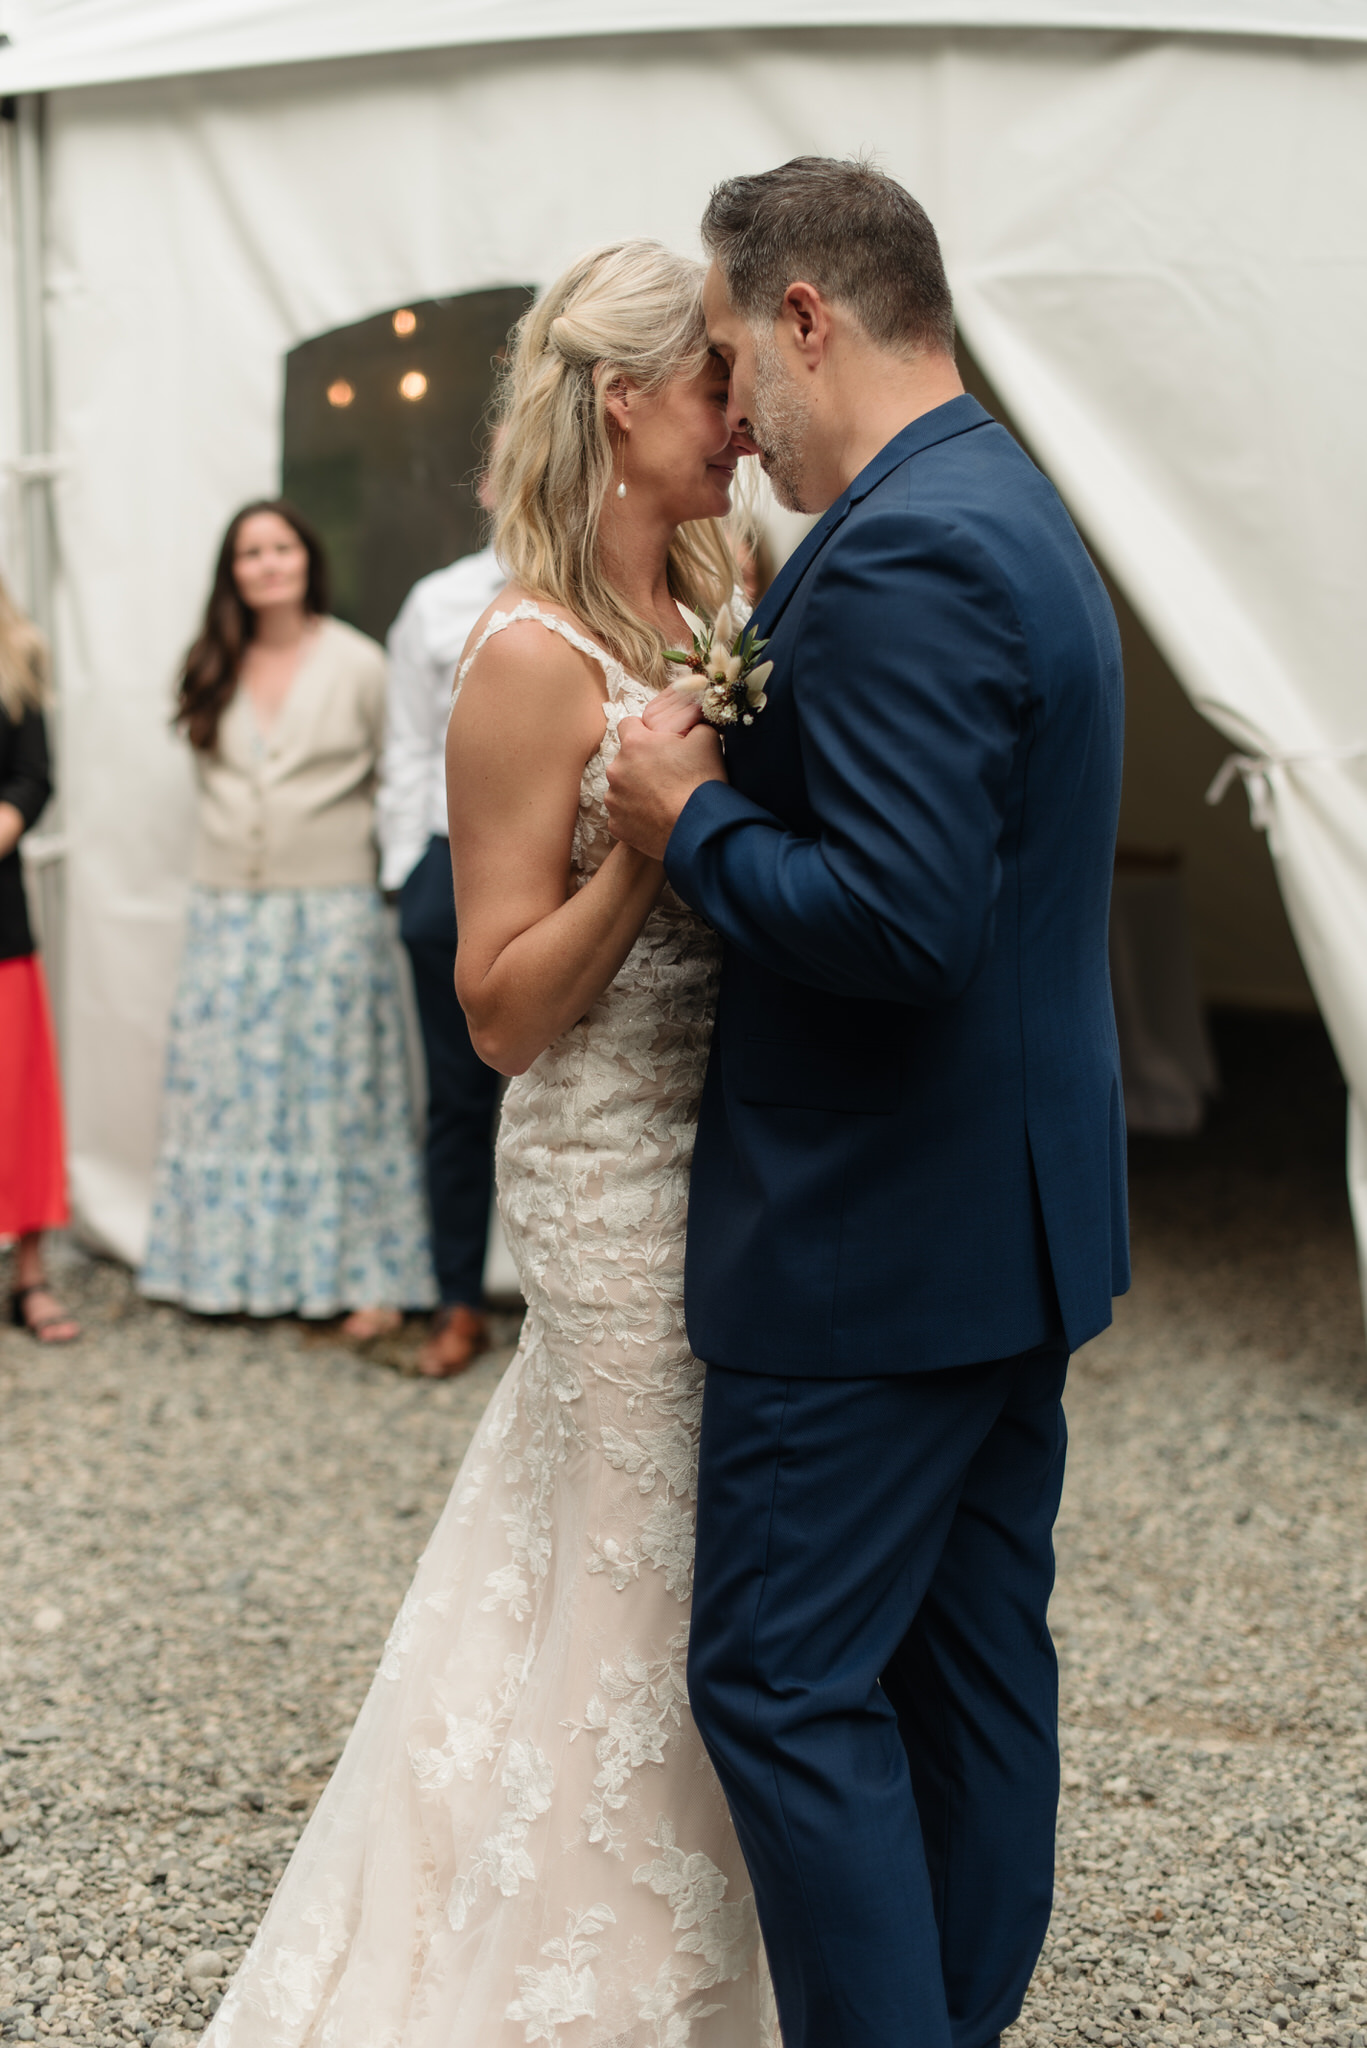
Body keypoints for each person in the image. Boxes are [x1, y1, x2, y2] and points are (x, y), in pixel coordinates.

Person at [202, 243, 776, 2047]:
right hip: (609, 1166)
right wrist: (645, 840)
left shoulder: (712, 593)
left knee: (659, 1561)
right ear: (622, 399)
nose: (741, 415)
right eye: (711, 382)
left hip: (737, 1147)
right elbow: (503, 1013)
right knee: (641, 1557)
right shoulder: (520, 661)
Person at [606, 157, 1129, 2048]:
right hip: (1004, 1226)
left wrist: (693, 818)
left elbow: (900, 922)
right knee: (969, 1673)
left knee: (780, 1679)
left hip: (870, 1248)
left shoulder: (909, 545)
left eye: (740, 362)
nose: (735, 420)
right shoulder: (1002, 496)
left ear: (809, 316)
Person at [141, 501, 435, 1334]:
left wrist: (394, 872)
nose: (267, 564)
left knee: (338, 1094)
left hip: (331, 910)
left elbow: (399, 773)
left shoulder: (358, 663)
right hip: (228, 911)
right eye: (249, 552)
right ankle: (228, 1267)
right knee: (228, 1091)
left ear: (307, 559)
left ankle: (365, 1276)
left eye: (280, 548)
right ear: (231, 571)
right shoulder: (210, 663)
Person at [377, 480, 505, 1377]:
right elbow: (408, 744)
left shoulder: (622, 577)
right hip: (448, 873)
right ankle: (459, 1299)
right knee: (459, 1102)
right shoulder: (437, 602)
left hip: (581, 876)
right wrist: (407, 872)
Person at [0, 575, 79, 1344]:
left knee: (16, 1099)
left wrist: (4, 821)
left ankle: (29, 1277)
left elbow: (33, 776)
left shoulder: (17, 654)